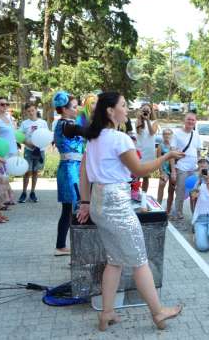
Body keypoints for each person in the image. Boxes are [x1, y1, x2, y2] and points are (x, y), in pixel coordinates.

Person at [76, 92, 183, 331]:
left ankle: (107, 313)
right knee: (139, 260)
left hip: (98, 203)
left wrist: (84, 203)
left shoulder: (93, 138)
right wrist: (167, 155)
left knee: (115, 261)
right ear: (110, 111)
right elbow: (140, 170)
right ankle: (158, 312)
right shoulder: (119, 138)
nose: (127, 109)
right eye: (123, 106)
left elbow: (83, 174)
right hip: (116, 204)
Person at [53, 91, 86, 256]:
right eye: (74, 107)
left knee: (69, 209)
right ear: (64, 109)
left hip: (71, 168)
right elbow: (84, 130)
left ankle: (61, 245)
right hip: (70, 170)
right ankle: (67, 246)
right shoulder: (67, 125)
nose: (77, 109)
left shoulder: (64, 124)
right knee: (72, 208)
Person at [170, 112, 201, 220]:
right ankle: (178, 213)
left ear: (195, 121)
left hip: (193, 168)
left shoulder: (196, 134)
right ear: (184, 120)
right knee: (180, 191)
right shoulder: (176, 133)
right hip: (181, 167)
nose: (191, 121)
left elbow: (198, 152)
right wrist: (173, 171)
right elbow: (172, 154)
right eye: (189, 119)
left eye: (193, 120)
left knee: (194, 192)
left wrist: (200, 168)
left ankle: (195, 214)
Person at [18, 103, 49, 203]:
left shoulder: (43, 123)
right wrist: (27, 143)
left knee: (35, 172)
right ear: (26, 112)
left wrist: (41, 144)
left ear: (36, 110)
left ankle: (32, 192)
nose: (31, 113)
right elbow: (19, 136)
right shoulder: (24, 123)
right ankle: (23, 192)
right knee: (27, 172)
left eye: (33, 110)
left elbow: (46, 136)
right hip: (29, 150)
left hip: (40, 150)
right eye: (29, 111)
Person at [0, 97, 18, 204]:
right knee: (2, 176)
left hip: (12, 149)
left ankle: (6, 198)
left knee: (6, 175)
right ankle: (2, 201)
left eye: (7, 104)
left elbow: (13, 134)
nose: (5, 106)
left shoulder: (8, 117)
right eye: (2, 104)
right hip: (2, 151)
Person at [136, 104, 159, 193]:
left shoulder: (155, 122)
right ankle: (135, 192)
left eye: (147, 110)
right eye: (144, 110)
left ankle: (144, 195)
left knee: (146, 176)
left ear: (151, 111)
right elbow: (138, 131)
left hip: (149, 152)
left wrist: (148, 120)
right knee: (136, 174)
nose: (145, 112)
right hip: (139, 150)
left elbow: (152, 132)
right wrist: (140, 118)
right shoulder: (138, 121)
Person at [155, 128, 176, 211]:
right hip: (164, 169)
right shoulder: (160, 146)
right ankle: (157, 208)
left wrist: (174, 171)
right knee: (161, 185)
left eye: (168, 134)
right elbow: (158, 161)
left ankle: (168, 210)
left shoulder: (174, 146)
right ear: (163, 136)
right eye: (165, 134)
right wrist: (161, 172)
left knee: (171, 190)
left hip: (173, 169)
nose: (167, 135)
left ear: (171, 135)